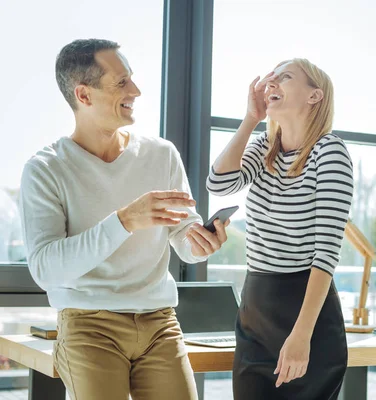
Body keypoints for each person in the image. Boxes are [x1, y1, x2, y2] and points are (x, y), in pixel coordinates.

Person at [19, 39, 229, 400]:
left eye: (131, 79)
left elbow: (182, 234)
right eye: (121, 83)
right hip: (88, 325)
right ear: (83, 95)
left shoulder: (161, 154)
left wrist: (199, 242)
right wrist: (124, 221)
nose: (136, 90)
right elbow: (46, 267)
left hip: (159, 321)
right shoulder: (46, 169)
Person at [207, 58, 354, 399]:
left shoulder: (329, 152)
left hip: (307, 314)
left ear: (314, 96)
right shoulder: (262, 148)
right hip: (256, 311)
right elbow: (217, 183)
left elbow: (327, 253)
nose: (271, 84)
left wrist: (302, 335)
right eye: (270, 78)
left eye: (284, 78)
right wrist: (251, 119)